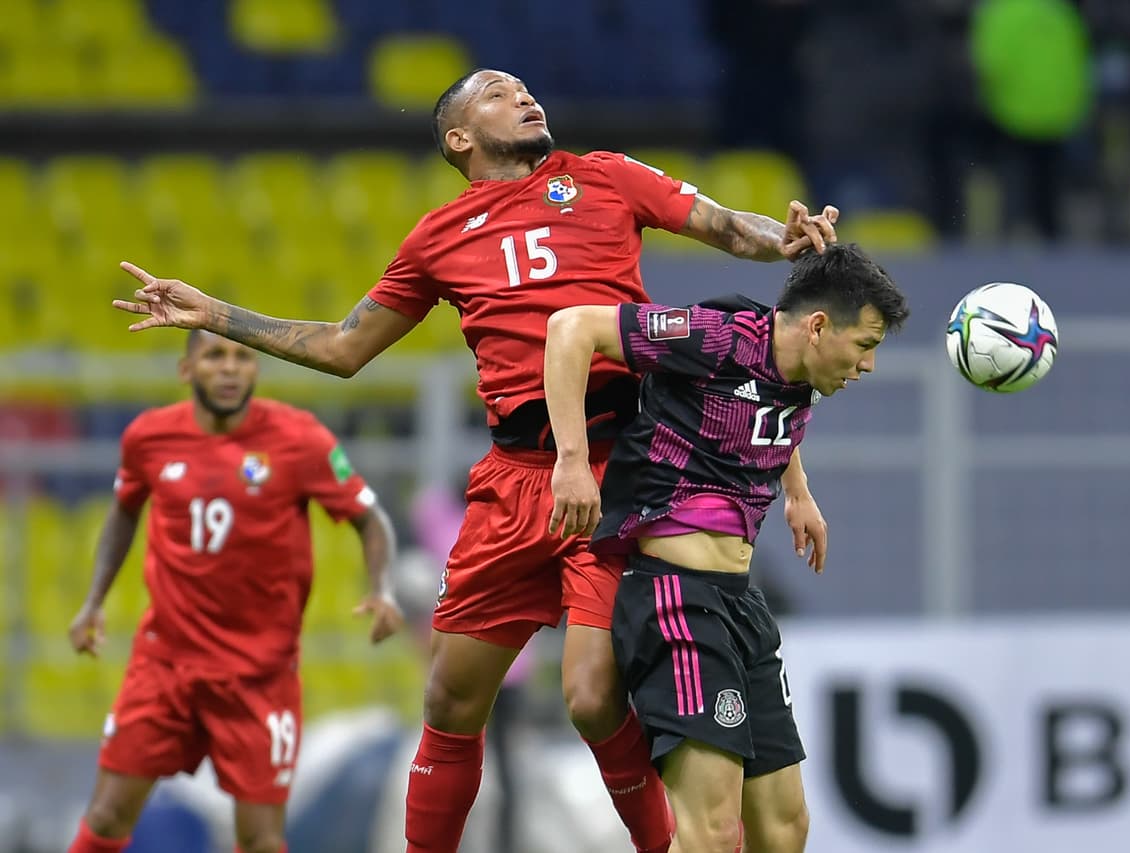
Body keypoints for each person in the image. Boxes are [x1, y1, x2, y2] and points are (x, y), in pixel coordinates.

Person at [110, 68, 838, 853]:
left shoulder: (604, 177)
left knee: (592, 697)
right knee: (450, 700)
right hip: (513, 480)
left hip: (614, 468)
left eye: (527, 90)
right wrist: (215, 312)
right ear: (458, 136)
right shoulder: (437, 238)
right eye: (498, 92)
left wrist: (783, 238)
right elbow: (343, 346)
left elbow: (727, 225)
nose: (526, 98)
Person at [542, 243, 910, 852]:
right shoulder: (716, 338)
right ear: (818, 327)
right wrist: (573, 462)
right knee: (711, 832)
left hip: (740, 603)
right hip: (674, 602)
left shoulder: (802, 375)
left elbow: (770, 413)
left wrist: (799, 491)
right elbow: (570, 328)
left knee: (784, 828)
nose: (868, 365)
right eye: (865, 345)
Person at [65, 331, 403, 853]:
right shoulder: (149, 438)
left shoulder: (300, 439)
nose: (229, 369)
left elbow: (369, 518)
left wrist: (382, 589)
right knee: (108, 815)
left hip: (258, 677)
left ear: (256, 370)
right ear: (186, 370)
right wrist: (93, 601)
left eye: (242, 357)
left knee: (260, 837)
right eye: (214, 357)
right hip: (166, 665)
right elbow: (125, 508)